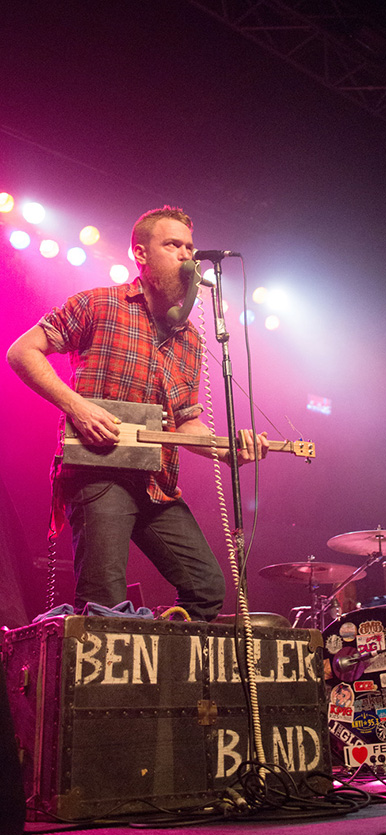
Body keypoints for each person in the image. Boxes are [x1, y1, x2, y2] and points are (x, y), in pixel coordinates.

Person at [6, 206, 268, 621]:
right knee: (104, 602)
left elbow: (185, 421)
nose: (186, 255)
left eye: (189, 247)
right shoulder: (99, 304)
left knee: (206, 589)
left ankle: (159, 651)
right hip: (99, 471)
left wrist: (226, 450)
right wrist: (77, 406)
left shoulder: (191, 338)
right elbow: (22, 351)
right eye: (173, 245)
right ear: (141, 254)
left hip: (155, 484)